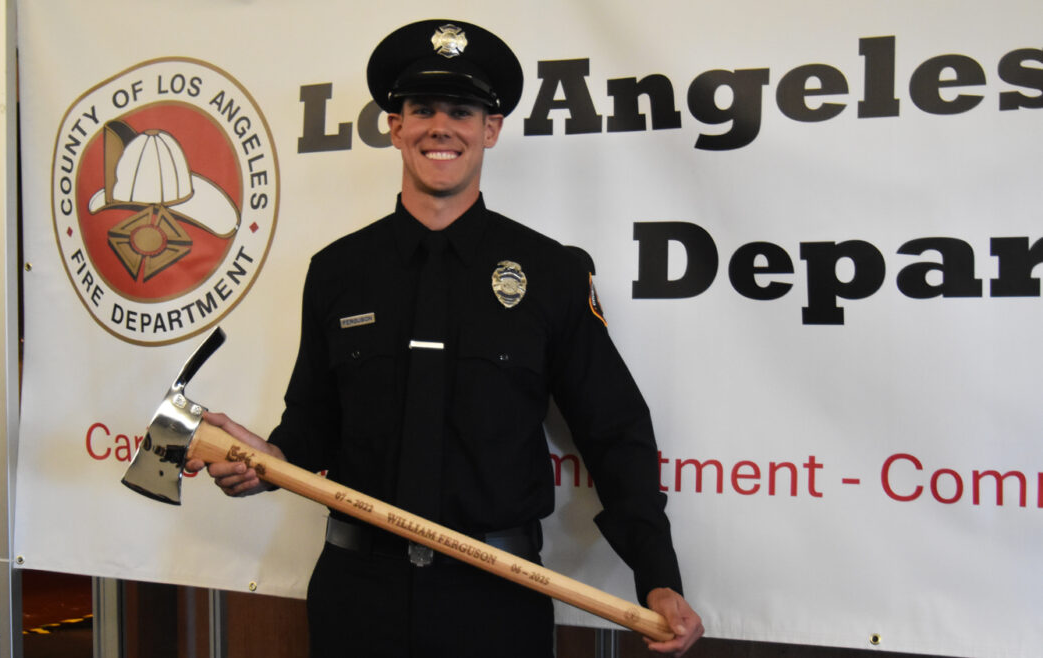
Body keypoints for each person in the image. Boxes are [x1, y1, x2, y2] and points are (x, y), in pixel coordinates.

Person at [187, 18, 704, 657]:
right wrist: (265, 460)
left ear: (491, 129)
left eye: (461, 111)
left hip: (497, 602)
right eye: (422, 109)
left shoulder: (550, 273)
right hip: (357, 599)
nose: (441, 127)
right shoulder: (337, 271)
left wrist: (658, 575)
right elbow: (313, 423)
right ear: (394, 126)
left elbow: (614, 430)